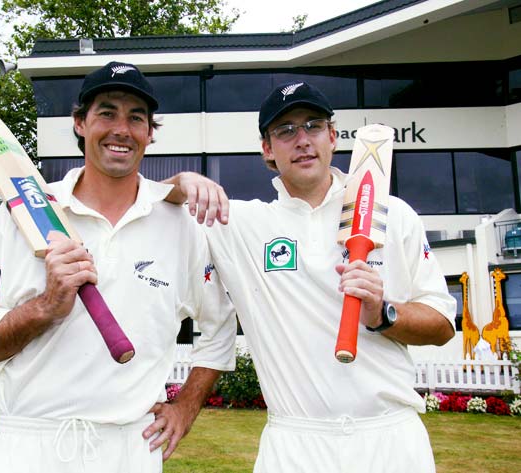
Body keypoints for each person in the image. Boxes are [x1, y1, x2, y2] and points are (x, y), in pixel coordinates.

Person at [0, 61, 236, 473]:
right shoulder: (23, 214)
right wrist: (45, 307)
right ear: (80, 122)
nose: (122, 128)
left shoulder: (180, 223)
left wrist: (185, 407)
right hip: (28, 447)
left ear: (149, 133)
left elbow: (220, 327)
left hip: (129, 450)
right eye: (107, 112)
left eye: (136, 118)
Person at [165, 81, 457, 473]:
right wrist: (183, 181)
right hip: (295, 443)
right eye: (285, 131)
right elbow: (149, 200)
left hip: (390, 439)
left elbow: (441, 326)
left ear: (333, 137)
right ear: (267, 150)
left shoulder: (394, 214)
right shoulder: (240, 224)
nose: (301, 139)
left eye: (313, 126)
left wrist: (382, 314)